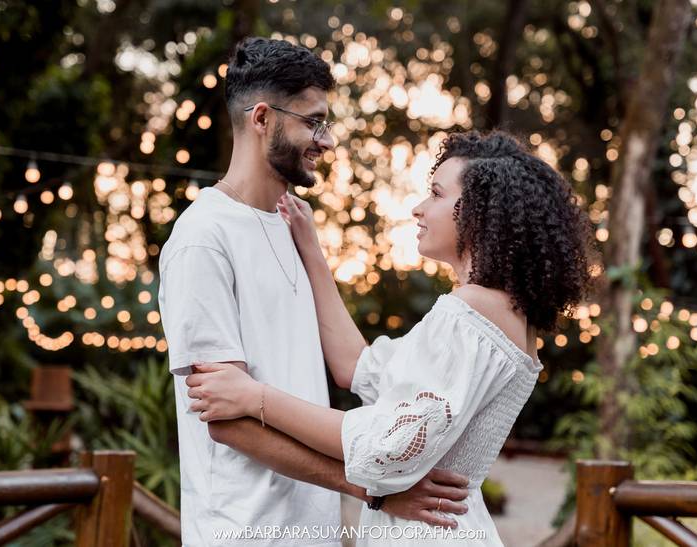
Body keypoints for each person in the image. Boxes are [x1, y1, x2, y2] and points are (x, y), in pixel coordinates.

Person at [186, 130, 595, 545]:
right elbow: (357, 368)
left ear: (481, 213)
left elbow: (387, 446)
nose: (419, 209)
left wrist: (255, 397)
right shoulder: (504, 314)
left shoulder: (470, 311)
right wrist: (312, 250)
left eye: (436, 194)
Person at [158, 37, 471, 547]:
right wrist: (374, 492)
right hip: (244, 534)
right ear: (262, 118)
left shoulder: (291, 225)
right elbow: (225, 421)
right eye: (313, 121)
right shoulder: (203, 239)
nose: (326, 142)